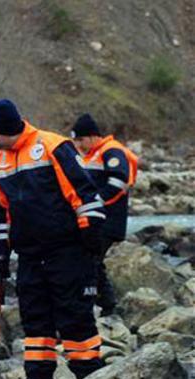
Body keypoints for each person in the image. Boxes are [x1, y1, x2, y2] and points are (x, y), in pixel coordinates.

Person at [0, 99, 106, 379]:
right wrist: (1, 252)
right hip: (29, 254)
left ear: (5, 130)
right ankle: (37, 377)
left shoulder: (52, 146)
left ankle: (90, 374)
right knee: (34, 315)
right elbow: (3, 214)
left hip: (66, 248)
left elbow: (84, 192)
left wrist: (92, 236)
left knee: (73, 311)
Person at [70, 113, 139, 317]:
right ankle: (105, 305)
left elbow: (118, 182)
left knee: (90, 261)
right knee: (92, 260)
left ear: (92, 136)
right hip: (97, 220)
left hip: (108, 220)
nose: (79, 145)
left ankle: (103, 306)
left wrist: (94, 202)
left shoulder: (112, 151)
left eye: (81, 140)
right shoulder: (93, 154)